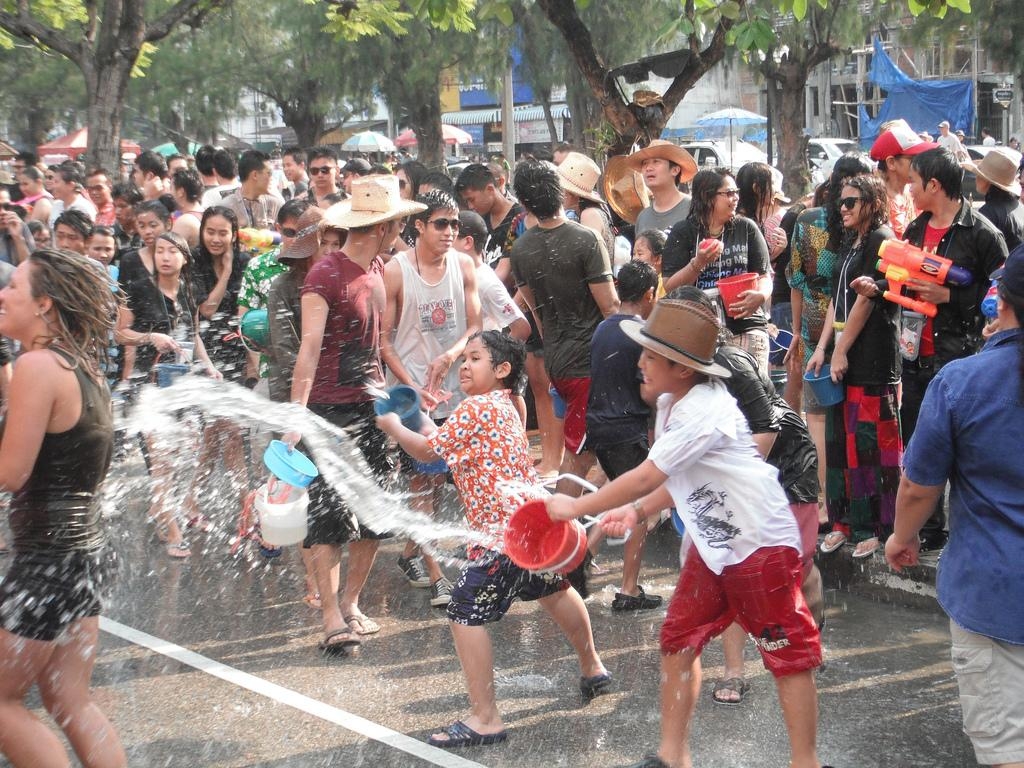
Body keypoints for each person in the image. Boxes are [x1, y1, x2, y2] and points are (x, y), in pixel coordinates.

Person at [546, 297, 825, 768]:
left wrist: (576, 505)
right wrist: (636, 512)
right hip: (715, 547)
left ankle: (806, 762)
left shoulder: (704, 409)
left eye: (650, 357)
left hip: (759, 547)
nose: (640, 364)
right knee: (678, 639)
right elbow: (677, 481)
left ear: (682, 367)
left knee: (787, 653)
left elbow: (648, 474)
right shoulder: (674, 401)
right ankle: (672, 755)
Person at [376, 330, 611, 749]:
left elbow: (430, 452)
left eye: (475, 358)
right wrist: (418, 416)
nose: (464, 365)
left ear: (502, 370)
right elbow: (446, 439)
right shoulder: (508, 405)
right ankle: (593, 667)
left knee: (464, 612)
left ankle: (485, 719)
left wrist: (394, 425)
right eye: (464, 358)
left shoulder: (475, 408)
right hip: (531, 530)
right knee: (554, 590)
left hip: (500, 540)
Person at [885, 245, 1024, 768]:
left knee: (1007, 750)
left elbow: (919, 487)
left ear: (1001, 300)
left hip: (995, 594)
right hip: (996, 593)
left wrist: (902, 537)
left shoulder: (964, 381)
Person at [287, 176, 426, 653]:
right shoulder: (323, 276)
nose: (404, 228)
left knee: (374, 516)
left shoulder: (380, 268)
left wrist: (403, 393)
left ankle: (351, 602)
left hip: (371, 410)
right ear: (382, 226)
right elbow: (308, 350)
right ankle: (329, 617)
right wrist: (296, 416)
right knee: (327, 519)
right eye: (400, 223)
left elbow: (378, 345)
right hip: (326, 411)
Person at [0, 249, 127, 768]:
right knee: (68, 699)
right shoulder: (83, 369)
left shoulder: (35, 365)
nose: (2, 294)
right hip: (87, 556)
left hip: (47, 563)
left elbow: (11, 474)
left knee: (2, 703)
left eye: (13, 287)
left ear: (44, 304)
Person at [670, 285, 823, 705]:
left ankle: (809, 636)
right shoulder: (679, 368)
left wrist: (732, 484)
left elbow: (768, 425)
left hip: (787, 466)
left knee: (799, 569)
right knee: (734, 567)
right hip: (741, 472)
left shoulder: (729, 362)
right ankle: (735, 671)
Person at [892, 147, 1007, 552]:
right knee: (921, 443)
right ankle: (929, 531)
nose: (909, 188)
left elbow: (1001, 297)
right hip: (913, 355)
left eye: (914, 181)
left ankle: (966, 532)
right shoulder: (914, 231)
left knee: (964, 447)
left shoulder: (981, 234)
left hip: (960, 357)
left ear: (934, 186)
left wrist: (949, 296)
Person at [380, 189, 482, 606]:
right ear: (418, 226)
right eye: (441, 223)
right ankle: (438, 573)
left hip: (456, 393)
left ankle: (411, 553)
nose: (450, 232)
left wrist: (454, 354)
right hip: (410, 399)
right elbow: (384, 343)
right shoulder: (397, 271)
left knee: (441, 480)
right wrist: (413, 388)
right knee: (423, 480)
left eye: (455, 224)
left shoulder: (464, 265)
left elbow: (476, 326)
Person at [510, 160, 620, 493]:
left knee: (604, 445)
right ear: (561, 192)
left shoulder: (521, 249)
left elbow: (538, 315)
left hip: (557, 359)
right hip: (591, 361)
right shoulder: (585, 239)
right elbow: (610, 307)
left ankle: (602, 520)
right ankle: (561, 528)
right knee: (579, 454)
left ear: (525, 203)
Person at [806, 174, 900, 559]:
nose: (842, 208)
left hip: (873, 356)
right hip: (843, 353)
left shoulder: (881, 238)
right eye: (839, 202)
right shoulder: (850, 240)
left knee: (873, 446)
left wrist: (840, 350)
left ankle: (877, 527)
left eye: (850, 202)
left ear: (872, 201)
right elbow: (836, 299)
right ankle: (844, 521)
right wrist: (823, 347)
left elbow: (867, 300)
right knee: (842, 444)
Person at [787, 153, 875, 526]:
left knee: (819, 417)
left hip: (816, 324)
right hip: (857, 323)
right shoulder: (864, 225)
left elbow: (795, 279)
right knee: (854, 416)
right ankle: (851, 503)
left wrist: (796, 331)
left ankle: (825, 504)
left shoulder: (810, 220)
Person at [585, 260, 662, 610]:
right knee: (640, 509)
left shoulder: (603, 329)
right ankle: (628, 589)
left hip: (599, 428)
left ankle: (580, 559)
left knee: (617, 497)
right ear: (649, 294)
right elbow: (648, 392)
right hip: (626, 430)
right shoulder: (642, 334)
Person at [662, 168, 773, 376]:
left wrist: (760, 295)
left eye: (736, 192)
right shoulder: (683, 232)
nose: (735, 198)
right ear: (707, 196)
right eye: (728, 193)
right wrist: (698, 262)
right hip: (699, 330)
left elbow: (765, 275)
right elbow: (670, 285)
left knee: (750, 394)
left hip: (747, 325)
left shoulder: (746, 228)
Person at [869, 122, 936, 239]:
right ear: (891, 163)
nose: (920, 164)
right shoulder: (872, 200)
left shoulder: (913, 192)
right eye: (914, 158)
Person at [625, 140, 698, 237]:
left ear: (675, 170)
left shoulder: (693, 209)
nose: (648, 168)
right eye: (645, 163)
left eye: (656, 162)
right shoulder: (643, 217)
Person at [963, 147, 1024, 251]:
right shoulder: (1018, 206)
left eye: (979, 174)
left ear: (988, 181)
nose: (976, 178)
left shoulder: (988, 213)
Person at [220, 150, 282, 230]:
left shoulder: (275, 204)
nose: (271, 178)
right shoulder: (226, 206)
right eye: (269, 173)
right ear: (255, 175)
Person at [48, 163, 97, 227]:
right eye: (53, 182)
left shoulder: (82, 208)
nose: (53, 186)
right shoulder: (56, 205)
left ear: (71, 185)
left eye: (56, 182)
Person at [169, 168, 205, 248]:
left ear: (180, 192)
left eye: (171, 188)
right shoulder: (204, 213)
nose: (169, 193)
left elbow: (172, 253)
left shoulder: (185, 221)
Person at [110, 181, 143, 258]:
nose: (117, 211)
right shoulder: (111, 234)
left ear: (136, 206)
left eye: (122, 206)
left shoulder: (146, 234)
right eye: (115, 206)